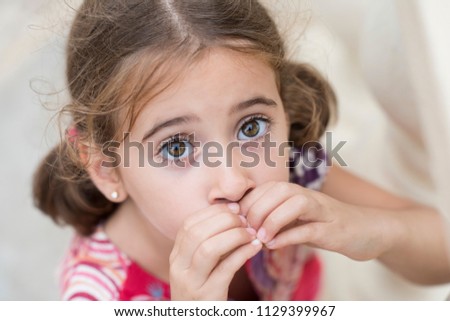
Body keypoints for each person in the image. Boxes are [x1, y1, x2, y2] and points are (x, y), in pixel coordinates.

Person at [33, 0, 450, 301]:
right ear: (107, 168)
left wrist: (367, 228)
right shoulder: (96, 292)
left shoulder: (293, 168)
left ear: (284, 109)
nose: (234, 179)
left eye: (251, 126)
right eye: (177, 146)